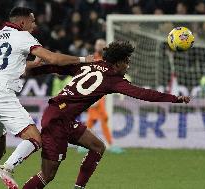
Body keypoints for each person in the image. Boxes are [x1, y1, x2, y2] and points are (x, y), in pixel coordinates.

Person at [22, 41, 190, 189]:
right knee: (48, 174)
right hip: (57, 121)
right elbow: (143, 94)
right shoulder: (113, 79)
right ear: (117, 64)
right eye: (126, 62)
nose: (128, 66)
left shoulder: (90, 65)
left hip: (61, 116)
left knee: (97, 147)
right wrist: (174, 98)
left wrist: (29, 71)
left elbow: (56, 67)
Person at [0, 7, 93, 189]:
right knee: (34, 139)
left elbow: (11, 65)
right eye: (32, 21)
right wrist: (84, 60)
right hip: (1, 95)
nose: (35, 25)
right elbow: (53, 59)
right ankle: (7, 168)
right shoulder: (22, 36)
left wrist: (31, 63)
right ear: (22, 23)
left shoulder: (0, 35)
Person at [83, 38, 124, 154]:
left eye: (102, 45)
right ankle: (110, 144)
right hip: (93, 92)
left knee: (92, 120)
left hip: (102, 93)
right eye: (98, 45)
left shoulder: (108, 60)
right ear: (95, 47)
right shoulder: (92, 59)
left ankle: (83, 144)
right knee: (102, 119)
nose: (100, 47)